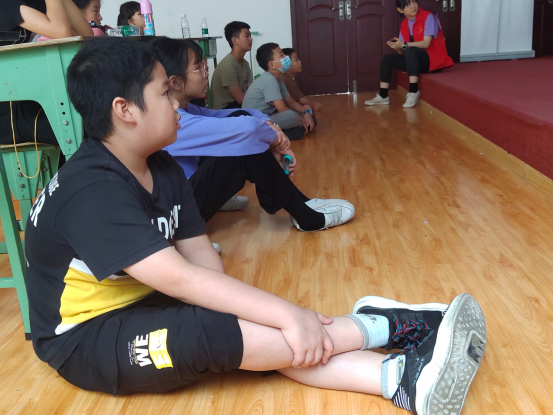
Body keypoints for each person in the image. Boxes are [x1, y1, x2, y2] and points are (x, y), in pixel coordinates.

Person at [25, 38, 487, 415]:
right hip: (86, 338)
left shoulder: (160, 166)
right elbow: (181, 278)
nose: (177, 103)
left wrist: (259, 320)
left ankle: (401, 378)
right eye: (165, 93)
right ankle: (385, 327)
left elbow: (202, 262)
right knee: (216, 337)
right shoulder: (93, 192)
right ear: (125, 110)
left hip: (144, 298)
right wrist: (288, 316)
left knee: (243, 328)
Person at [151, 38, 355, 232]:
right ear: (175, 82)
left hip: (185, 198)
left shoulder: (188, 110)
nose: (206, 73)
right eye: (199, 68)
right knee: (241, 147)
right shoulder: (171, 122)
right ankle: (304, 214)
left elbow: (243, 114)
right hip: (175, 216)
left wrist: (270, 125)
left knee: (240, 124)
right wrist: (274, 139)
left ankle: (300, 202)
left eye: (205, 66)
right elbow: (248, 129)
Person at [0, 0, 93, 146]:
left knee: (92, 120)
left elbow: (86, 34)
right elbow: (61, 32)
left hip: (22, 100)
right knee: (86, 130)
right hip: (7, 111)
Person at [365, 0, 454, 109]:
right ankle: (383, 96)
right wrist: (398, 47)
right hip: (416, 61)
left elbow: (426, 43)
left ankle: (413, 91)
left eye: (414, 2)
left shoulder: (428, 17)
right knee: (387, 59)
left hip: (433, 61)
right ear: (400, 10)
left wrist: (404, 45)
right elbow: (403, 51)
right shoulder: (404, 24)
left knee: (411, 50)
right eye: (408, 4)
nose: (413, 6)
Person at [243, 43, 315, 141]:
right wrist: (301, 118)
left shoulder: (278, 79)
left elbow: (290, 102)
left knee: (306, 109)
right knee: (292, 116)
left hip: (269, 117)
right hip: (256, 122)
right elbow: (282, 109)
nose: (286, 57)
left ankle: (287, 130)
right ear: (272, 64)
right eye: (281, 55)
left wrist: (306, 112)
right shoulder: (269, 80)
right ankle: (273, 135)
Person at [211, 21, 254, 110]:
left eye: (250, 36)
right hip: (225, 110)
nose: (251, 39)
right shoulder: (227, 65)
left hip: (240, 106)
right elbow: (241, 100)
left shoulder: (245, 64)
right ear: (234, 40)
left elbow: (251, 91)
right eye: (247, 36)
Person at [282, 48, 322, 112]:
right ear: (287, 65)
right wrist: (315, 105)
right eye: (296, 60)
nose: (300, 62)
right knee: (308, 108)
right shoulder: (288, 80)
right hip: (283, 111)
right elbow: (302, 100)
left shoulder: (285, 77)